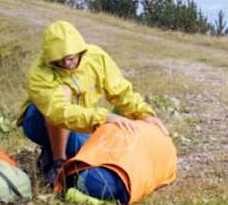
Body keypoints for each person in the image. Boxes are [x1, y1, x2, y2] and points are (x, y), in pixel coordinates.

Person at [17, 20, 168, 188]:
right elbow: (58, 112)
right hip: (40, 121)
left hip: (81, 123)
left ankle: (56, 154)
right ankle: (58, 161)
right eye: (59, 60)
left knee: (95, 150)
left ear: (80, 51)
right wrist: (103, 117)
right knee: (64, 94)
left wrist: (144, 114)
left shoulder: (97, 57)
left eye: (70, 58)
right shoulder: (39, 72)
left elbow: (120, 91)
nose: (66, 64)